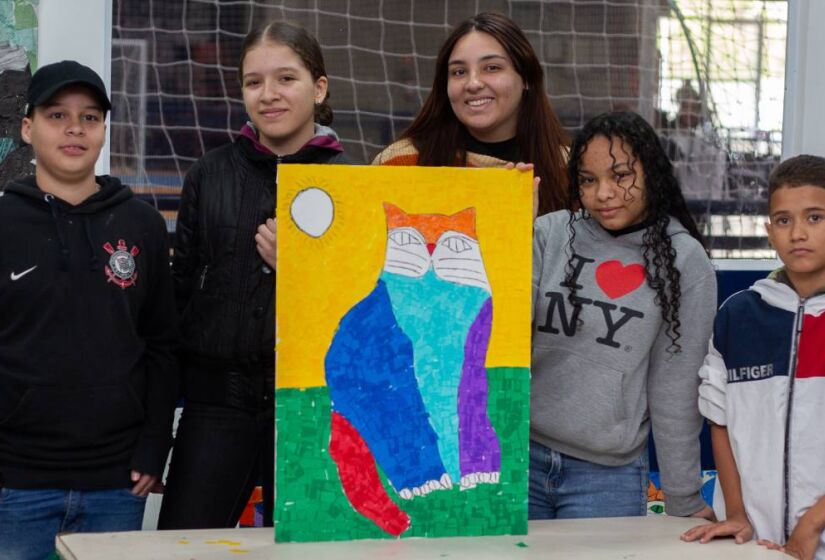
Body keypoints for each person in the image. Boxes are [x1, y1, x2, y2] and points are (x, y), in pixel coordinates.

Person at [157, 21, 349, 530]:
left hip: (313, 403)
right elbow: (179, 298)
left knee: (312, 544)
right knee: (184, 543)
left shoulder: (352, 183)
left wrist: (301, 272)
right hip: (217, 401)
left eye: (286, 79)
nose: (269, 95)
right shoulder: (209, 174)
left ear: (319, 87)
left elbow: (364, 307)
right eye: (254, 82)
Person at [0, 60, 178, 560]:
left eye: (90, 117)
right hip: (15, 484)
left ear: (103, 130)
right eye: (57, 115)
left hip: (116, 483)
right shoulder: (4, 222)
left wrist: (153, 447)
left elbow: (163, 346)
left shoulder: (141, 224)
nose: (74, 128)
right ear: (28, 127)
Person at [530, 111, 717, 520]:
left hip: (605, 476)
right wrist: (513, 227)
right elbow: (502, 323)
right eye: (588, 179)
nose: (604, 193)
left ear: (651, 173)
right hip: (518, 459)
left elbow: (675, 388)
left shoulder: (684, 260)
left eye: (621, 175)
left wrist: (683, 497)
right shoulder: (551, 232)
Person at [682, 155, 825, 560]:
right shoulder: (737, 315)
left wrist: (811, 525)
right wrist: (739, 514)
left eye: (815, 217)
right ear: (768, 231)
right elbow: (720, 423)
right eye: (783, 220)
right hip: (754, 544)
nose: (798, 233)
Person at [372, 11, 569, 215]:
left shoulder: (569, 170)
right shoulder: (400, 163)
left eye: (492, 68)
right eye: (459, 72)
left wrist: (532, 232)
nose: (473, 83)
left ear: (526, 78)